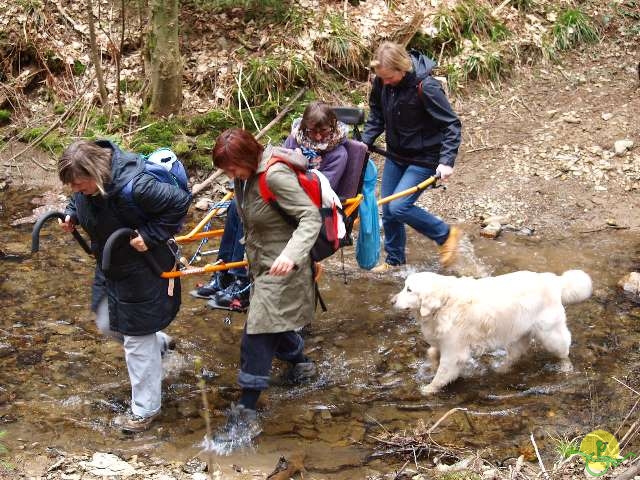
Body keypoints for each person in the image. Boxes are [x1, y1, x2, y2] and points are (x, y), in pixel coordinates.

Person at [58, 139, 191, 433]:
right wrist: (73, 213)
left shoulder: (138, 185)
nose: (77, 190)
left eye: (80, 185)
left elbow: (180, 203)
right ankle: (161, 345)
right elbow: (82, 201)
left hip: (145, 266)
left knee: (135, 339)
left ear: (97, 172)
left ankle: (144, 412)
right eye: (73, 187)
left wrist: (150, 234)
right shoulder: (88, 187)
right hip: (110, 263)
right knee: (107, 320)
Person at [209, 128, 321, 445]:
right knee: (271, 322)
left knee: (257, 331)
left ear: (247, 157)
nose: (229, 175)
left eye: (231, 169)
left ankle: (247, 408)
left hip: (286, 267)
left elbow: (310, 218)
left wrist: (290, 255)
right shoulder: (244, 178)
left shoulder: (275, 177)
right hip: (262, 265)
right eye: (226, 170)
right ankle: (301, 363)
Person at [195, 100, 349, 307]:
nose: (318, 136)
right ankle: (224, 272)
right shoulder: (295, 141)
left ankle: (240, 280)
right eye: (313, 131)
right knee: (235, 207)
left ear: (333, 127)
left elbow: (323, 186)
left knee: (254, 211)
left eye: (323, 131)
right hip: (283, 193)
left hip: (312, 198)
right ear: (304, 127)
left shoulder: (339, 153)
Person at [361, 41, 463, 272]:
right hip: (396, 155)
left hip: (425, 159)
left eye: (388, 78)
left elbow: (451, 125)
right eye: (381, 78)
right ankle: (395, 261)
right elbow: (377, 114)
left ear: (402, 68)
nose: (384, 83)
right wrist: (365, 142)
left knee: (398, 207)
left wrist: (446, 161)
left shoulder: (426, 87)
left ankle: (446, 235)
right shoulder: (382, 82)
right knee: (388, 210)